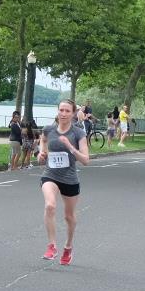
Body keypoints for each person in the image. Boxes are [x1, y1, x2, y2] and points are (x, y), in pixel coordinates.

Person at [39, 100, 90, 264]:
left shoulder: (78, 133)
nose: (63, 113)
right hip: (50, 174)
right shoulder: (49, 129)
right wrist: (41, 153)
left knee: (69, 216)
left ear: (73, 113)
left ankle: (68, 246)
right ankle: (52, 246)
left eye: (67, 111)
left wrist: (70, 147)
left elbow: (86, 160)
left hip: (69, 178)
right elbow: (43, 140)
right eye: (61, 110)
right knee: (50, 205)